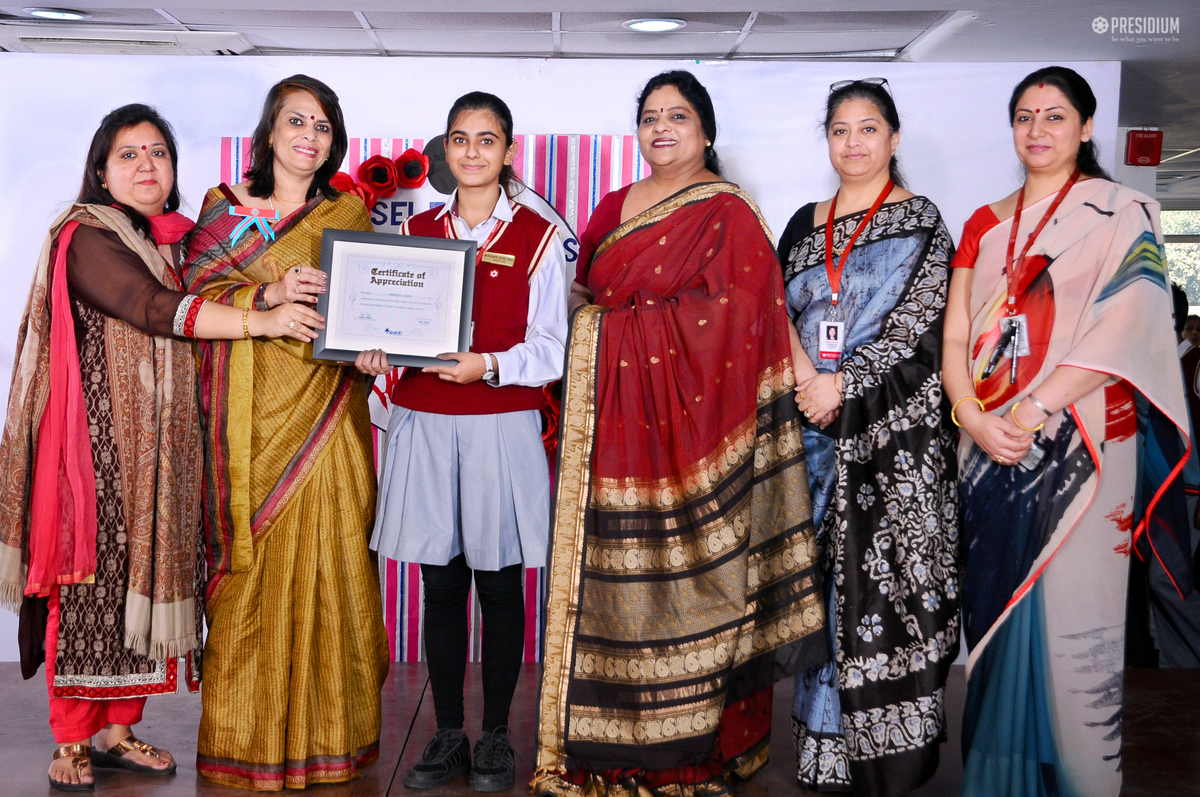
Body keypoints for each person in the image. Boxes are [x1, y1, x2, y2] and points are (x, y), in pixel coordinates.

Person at [0, 103, 321, 792]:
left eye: (158, 152)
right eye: (129, 154)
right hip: (96, 448)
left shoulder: (170, 239)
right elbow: (153, 308)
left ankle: (118, 732)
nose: (147, 165)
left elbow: (209, 292)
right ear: (101, 169)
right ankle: (72, 737)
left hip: (164, 448)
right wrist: (264, 321)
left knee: (143, 584)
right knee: (88, 589)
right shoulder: (87, 235)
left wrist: (270, 290)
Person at [533, 70, 827, 797]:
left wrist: (607, 328)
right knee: (609, 580)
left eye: (678, 116)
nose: (661, 128)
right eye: (650, 117)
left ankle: (690, 749)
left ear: (706, 131)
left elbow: (743, 314)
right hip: (614, 430)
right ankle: (603, 744)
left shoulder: (728, 211)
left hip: (701, 435)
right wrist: (582, 320)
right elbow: (583, 294)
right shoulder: (612, 206)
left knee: (702, 577)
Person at [943, 66, 1191, 797]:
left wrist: (1032, 408)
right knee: (996, 614)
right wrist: (971, 414)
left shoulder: (1122, 212)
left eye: (1055, 116)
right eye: (1025, 116)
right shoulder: (984, 223)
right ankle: (999, 779)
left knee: (1077, 620)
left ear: (1085, 127)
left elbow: (1128, 326)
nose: (1038, 130)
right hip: (988, 447)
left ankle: (1081, 778)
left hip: (1082, 445)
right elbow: (954, 335)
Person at [180, 75, 390, 791]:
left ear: (334, 143)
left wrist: (371, 354)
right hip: (246, 429)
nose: (309, 136)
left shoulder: (348, 214)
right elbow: (191, 299)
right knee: (250, 579)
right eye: (296, 121)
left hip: (328, 421)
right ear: (270, 130)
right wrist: (266, 294)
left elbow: (366, 312)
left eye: (322, 126)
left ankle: (332, 739)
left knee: (337, 563)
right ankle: (243, 742)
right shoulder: (222, 211)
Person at [368, 91, 567, 792]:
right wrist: (375, 353)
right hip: (425, 418)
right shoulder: (417, 229)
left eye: (487, 139)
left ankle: (496, 738)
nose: (473, 151)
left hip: (501, 421)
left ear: (509, 150)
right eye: (461, 138)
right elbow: (391, 324)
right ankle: (449, 731)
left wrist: (490, 365)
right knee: (442, 583)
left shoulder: (540, 237)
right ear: (445, 149)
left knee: (501, 584)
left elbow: (553, 347)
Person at [779, 78, 960, 795]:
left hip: (893, 445)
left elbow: (919, 328)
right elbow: (772, 313)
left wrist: (843, 384)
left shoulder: (921, 221)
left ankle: (883, 757)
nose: (852, 143)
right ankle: (821, 750)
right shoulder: (803, 224)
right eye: (840, 130)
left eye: (868, 129)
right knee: (820, 593)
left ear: (893, 138)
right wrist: (810, 383)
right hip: (810, 434)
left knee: (881, 597)